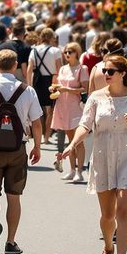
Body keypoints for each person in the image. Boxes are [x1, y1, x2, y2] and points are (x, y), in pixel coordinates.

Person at [58, 54, 127, 254]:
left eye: (110, 71)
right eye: (104, 70)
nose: (106, 74)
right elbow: (85, 124)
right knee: (107, 215)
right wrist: (73, 144)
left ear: (123, 74)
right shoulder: (95, 97)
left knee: (124, 212)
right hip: (102, 155)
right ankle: (108, 248)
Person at [0, 49, 44, 254]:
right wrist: (37, 146)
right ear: (15, 66)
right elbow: (37, 123)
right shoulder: (27, 90)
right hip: (17, 148)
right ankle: (11, 241)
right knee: (14, 197)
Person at [52, 43, 89, 182]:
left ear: (77, 53)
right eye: (66, 51)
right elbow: (58, 85)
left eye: (71, 51)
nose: (67, 54)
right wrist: (54, 88)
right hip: (63, 105)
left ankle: (80, 171)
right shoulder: (62, 68)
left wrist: (67, 90)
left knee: (78, 141)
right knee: (70, 140)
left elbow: (85, 89)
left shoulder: (82, 68)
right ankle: (72, 170)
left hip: (76, 107)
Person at [27, 28, 61, 143]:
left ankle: (40, 136)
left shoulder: (34, 50)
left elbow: (29, 69)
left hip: (37, 79)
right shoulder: (55, 51)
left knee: (38, 109)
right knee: (50, 110)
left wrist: (29, 84)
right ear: (51, 37)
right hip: (51, 80)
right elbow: (59, 68)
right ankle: (46, 137)